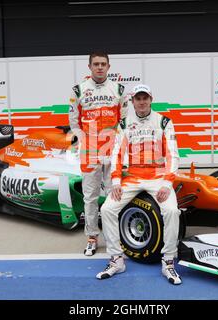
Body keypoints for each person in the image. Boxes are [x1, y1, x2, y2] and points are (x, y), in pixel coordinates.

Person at [96, 84, 182, 285]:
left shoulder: (164, 122)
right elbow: (116, 153)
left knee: (171, 211)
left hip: (158, 177)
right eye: (138, 98)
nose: (142, 102)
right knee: (107, 209)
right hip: (132, 177)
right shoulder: (124, 123)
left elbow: (173, 155)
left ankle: (168, 262)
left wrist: (167, 184)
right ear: (132, 101)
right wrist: (116, 181)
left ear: (151, 99)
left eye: (145, 98)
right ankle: (117, 260)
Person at [69, 52, 128, 256]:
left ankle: (117, 236)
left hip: (112, 152)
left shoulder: (119, 89)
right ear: (89, 66)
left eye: (103, 64)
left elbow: (125, 122)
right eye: (96, 64)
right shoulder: (79, 90)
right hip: (89, 152)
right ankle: (92, 237)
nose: (100, 67)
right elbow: (74, 122)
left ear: (109, 66)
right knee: (90, 197)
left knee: (115, 195)